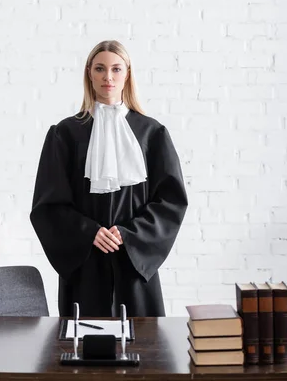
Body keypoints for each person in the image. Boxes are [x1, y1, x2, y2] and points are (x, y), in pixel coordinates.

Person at [30, 40, 188, 317]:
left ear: (127, 74)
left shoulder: (153, 134)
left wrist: (130, 235)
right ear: (89, 73)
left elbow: (171, 202)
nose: (108, 77)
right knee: (83, 348)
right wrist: (88, 232)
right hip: (84, 263)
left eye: (116, 69)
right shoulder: (65, 134)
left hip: (134, 262)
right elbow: (47, 205)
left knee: (143, 349)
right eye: (100, 69)